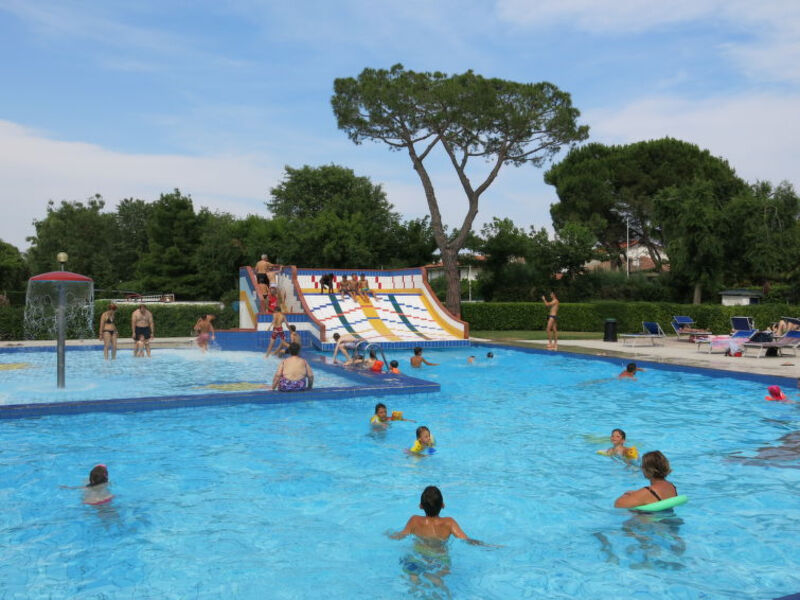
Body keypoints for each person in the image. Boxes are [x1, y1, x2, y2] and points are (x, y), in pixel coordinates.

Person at [390, 486, 483, 544]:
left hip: (419, 555)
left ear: (420, 506)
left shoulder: (414, 520)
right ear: (443, 505)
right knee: (442, 570)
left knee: (410, 569)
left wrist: (388, 534)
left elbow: (400, 536)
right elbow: (466, 540)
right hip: (440, 559)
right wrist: (485, 545)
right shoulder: (449, 522)